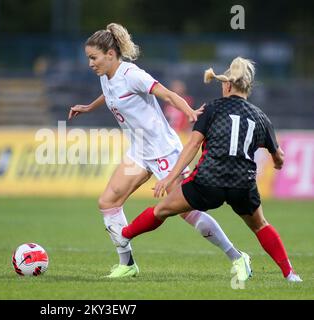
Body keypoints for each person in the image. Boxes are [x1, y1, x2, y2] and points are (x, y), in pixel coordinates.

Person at [68, 23, 249, 279]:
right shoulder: (105, 77)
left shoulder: (132, 74)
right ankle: (127, 264)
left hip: (164, 151)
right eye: (89, 58)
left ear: (110, 54)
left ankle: (238, 257)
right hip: (139, 151)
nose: (90, 63)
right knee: (108, 201)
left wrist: (188, 112)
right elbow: (110, 95)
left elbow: (166, 94)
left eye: (93, 58)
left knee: (188, 212)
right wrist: (89, 107)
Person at [112, 57, 302, 282]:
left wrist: (169, 178)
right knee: (261, 225)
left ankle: (123, 235)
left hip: (208, 182)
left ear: (228, 84)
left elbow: (192, 145)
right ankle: (290, 274)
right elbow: (278, 156)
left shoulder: (213, 108)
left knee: (161, 210)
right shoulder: (260, 118)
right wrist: (278, 162)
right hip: (242, 185)